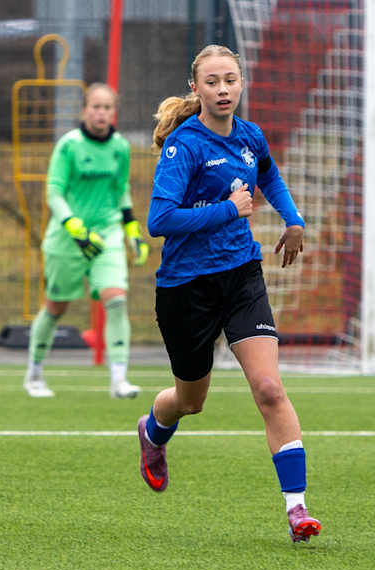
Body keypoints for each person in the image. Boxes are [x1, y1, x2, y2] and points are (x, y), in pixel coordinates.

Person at [137, 45, 321, 542]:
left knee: (269, 389)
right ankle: (154, 431)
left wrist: (294, 218)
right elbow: (160, 221)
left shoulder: (250, 136)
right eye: (213, 82)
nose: (223, 90)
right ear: (195, 88)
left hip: (241, 276)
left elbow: (269, 175)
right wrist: (227, 209)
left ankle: (297, 509)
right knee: (190, 401)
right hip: (186, 288)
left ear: (242, 84)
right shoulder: (184, 146)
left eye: (231, 81)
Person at [22, 82, 150, 400]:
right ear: (85, 110)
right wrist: (73, 226)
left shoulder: (120, 147)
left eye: (108, 107)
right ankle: (34, 373)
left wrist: (131, 227)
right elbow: (54, 192)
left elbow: (120, 190)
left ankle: (119, 378)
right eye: (96, 106)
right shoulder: (69, 145)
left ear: (113, 112)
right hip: (67, 239)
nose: (102, 113)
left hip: (106, 234)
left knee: (117, 300)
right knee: (56, 307)